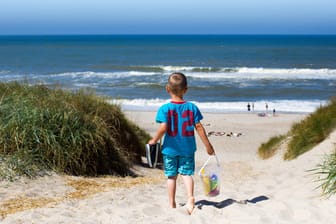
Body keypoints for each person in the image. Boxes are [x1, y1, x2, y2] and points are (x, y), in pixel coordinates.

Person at [148, 72, 215, 214]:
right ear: (186, 89)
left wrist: (154, 140)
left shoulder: (164, 109)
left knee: (171, 176)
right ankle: (190, 198)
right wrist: (208, 145)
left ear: (167, 89)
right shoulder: (192, 107)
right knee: (186, 174)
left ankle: (172, 203)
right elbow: (199, 127)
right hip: (188, 149)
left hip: (170, 150)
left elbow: (163, 128)